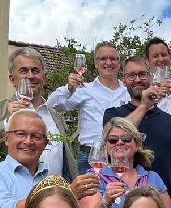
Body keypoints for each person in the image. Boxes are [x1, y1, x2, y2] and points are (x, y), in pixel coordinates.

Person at [0, 47, 81, 189]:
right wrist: (6, 122)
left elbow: (69, 161)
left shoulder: (56, 117)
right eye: (23, 71)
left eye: (35, 70)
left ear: (44, 77)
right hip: (15, 197)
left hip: (55, 198)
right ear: (12, 79)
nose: (30, 76)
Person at [104, 56, 171, 208]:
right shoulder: (113, 114)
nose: (137, 79)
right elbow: (118, 133)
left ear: (150, 77)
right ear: (124, 81)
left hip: (162, 207)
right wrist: (144, 106)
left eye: (142, 74)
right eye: (131, 75)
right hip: (120, 206)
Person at [47, 41, 129, 175]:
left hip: (121, 158)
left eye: (113, 58)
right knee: (89, 196)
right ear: (96, 63)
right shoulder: (84, 89)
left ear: (119, 63)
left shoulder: (128, 93)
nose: (108, 62)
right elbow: (51, 106)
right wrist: (68, 89)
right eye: (103, 58)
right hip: (90, 158)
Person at [145, 36, 171, 122]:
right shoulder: (142, 90)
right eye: (155, 56)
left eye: (164, 55)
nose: (161, 59)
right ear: (147, 61)